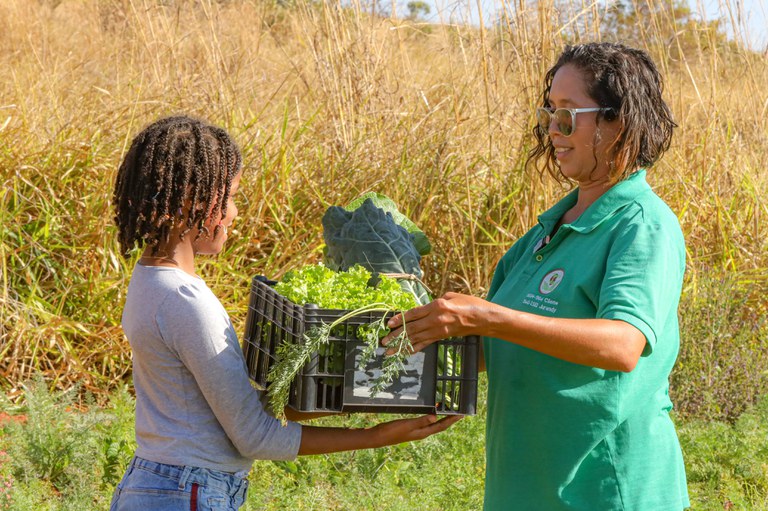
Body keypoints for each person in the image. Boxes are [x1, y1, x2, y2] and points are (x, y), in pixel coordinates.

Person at [384, 42, 690, 510]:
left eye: (568, 115)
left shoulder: (641, 224)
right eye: (549, 113)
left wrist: (488, 317)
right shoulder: (546, 232)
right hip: (527, 488)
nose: (552, 130)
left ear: (618, 121)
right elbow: (496, 345)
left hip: (604, 491)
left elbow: (623, 344)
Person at [110, 115, 460, 511]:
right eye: (230, 197)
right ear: (195, 198)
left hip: (160, 484)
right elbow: (255, 437)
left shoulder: (150, 280)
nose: (234, 213)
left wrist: (346, 395)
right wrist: (379, 435)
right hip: (185, 493)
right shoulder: (186, 302)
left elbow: (233, 411)